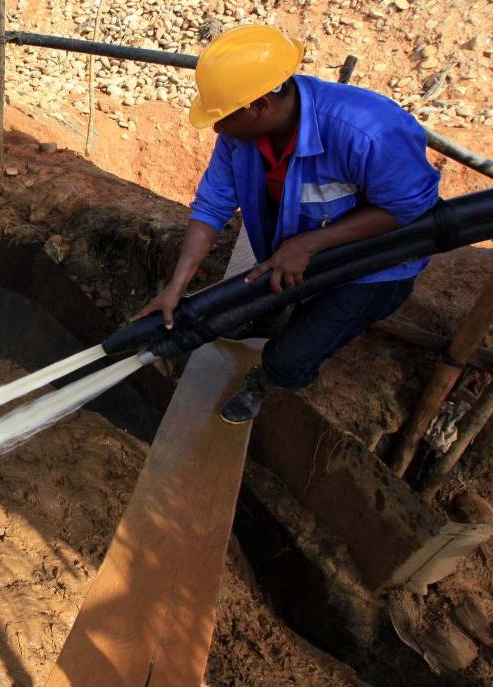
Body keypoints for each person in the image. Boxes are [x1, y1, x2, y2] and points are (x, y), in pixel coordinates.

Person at [133, 25, 441, 424]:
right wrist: (175, 288)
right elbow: (212, 206)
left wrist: (310, 244)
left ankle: (267, 382)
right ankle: (271, 313)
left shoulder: (367, 130)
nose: (216, 128)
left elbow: (411, 207)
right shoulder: (241, 135)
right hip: (293, 251)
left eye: (222, 117)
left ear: (259, 105)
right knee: (254, 299)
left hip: (375, 265)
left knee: (291, 352)